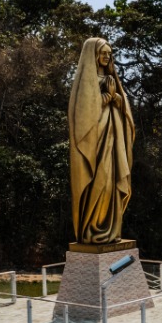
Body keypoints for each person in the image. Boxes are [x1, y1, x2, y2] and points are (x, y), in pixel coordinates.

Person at [69, 38, 134, 244]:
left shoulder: (110, 77)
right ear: (93, 54)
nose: (107, 56)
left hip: (113, 141)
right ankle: (92, 228)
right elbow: (84, 116)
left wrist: (116, 98)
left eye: (109, 53)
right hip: (95, 145)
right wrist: (107, 97)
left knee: (112, 184)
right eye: (103, 53)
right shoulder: (86, 82)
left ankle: (111, 230)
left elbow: (123, 108)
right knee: (100, 183)